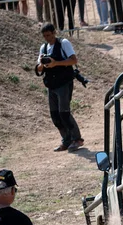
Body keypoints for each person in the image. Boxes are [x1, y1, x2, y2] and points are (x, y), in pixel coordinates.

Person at [36, 23, 84, 152]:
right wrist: (42, 63)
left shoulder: (64, 43)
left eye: (49, 35)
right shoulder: (44, 47)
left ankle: (77, 139)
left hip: (64, 83)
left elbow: (73, 60)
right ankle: (66, 140)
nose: (47, 38)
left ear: (54, 32)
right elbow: (38, 68)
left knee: (64, 113)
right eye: (45, 36)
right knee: (55, 115)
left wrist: (56, 63)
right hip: (51, 85)